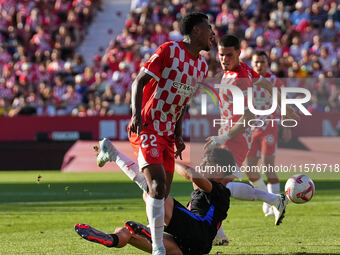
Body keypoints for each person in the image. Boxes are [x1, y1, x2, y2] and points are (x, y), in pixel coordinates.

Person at [97, 12, 215, 255]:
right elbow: (138, 81)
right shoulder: (168, 51)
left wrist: (179, 134)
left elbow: (183, 102)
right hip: (148, 125)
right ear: (195, 30)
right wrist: (136, 115)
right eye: (208, 28)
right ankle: (159, 249)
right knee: (157, 186)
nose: (212, 33)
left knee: (160, 195)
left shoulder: (202, 66)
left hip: (168, 133)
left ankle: (113, 154)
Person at [76, 146, 287, 254]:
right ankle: (112, 239)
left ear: (220, 170)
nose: (203, 167)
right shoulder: (211, 193)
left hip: (198, 232)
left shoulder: (221, 191)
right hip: (188, 248)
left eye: (207, 164)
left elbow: (190, 174)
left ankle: (115, 155)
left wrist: (166, 159)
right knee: (129, 231)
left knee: (155, 193)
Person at [204, 34, 298, 242]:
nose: (224, 59)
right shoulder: (243, 69)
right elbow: (266, 85)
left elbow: (249, 116)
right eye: (221, 55)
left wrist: (223, 138)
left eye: (229, 55)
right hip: (231, 134)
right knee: (214, 184)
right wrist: (285, 106)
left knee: (216, 184)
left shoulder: (240, 78)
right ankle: (219, 233)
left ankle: (273, 199)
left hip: (235, 136)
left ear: (238, 52)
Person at [245, 51, 292, 216]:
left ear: (267, 63)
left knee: (268, 166)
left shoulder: (274, 81)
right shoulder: (246, 80)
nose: (259, 65)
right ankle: (269, 199)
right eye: (256, 62)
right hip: (249, 129)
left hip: (269, 127)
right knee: (249, 169)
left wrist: (286, 126)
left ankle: (275, 205)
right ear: (251, 63)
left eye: (262, 62)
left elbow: (284, 103)